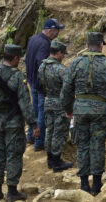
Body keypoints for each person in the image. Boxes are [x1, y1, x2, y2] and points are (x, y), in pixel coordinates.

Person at [61, 32, 106, 195]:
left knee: (82, 145)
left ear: (87, 44)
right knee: (97, 146)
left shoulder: (75, 63)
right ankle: (96, 185)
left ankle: (83, 184)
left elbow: (66, 90)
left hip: (80, 110)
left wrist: (68, 109)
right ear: (101, 44)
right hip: (101, 111)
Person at [0, 44, 40, 201]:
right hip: (13, 123)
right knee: (13, 154)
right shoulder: (18, 77)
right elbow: (25, 103)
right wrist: (33, 125)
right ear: (15, 58)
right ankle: (12, 191)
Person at [25, 18, 65, 151]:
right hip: (40, 84)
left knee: (35, 111)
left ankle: (31, 136)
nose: (58, 33)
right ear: (49, 30)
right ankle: (39, 141)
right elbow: (42, 64)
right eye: (57, 30)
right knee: (42, 113)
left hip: (31, 80)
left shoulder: (33, 39)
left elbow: (27, 59)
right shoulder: (44, 44)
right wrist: (47, 82)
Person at [38, 40, 73, 172]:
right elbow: (68, 89)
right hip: (60, 103)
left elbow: (41, 85)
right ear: (58, 53)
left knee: (49, 130)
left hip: (48, 101)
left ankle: (50, 159)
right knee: (60, 132)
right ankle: (57, 161)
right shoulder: (62, 70)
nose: (64, 56)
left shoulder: (42, 67)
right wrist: (69, 106)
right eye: (63, 53)